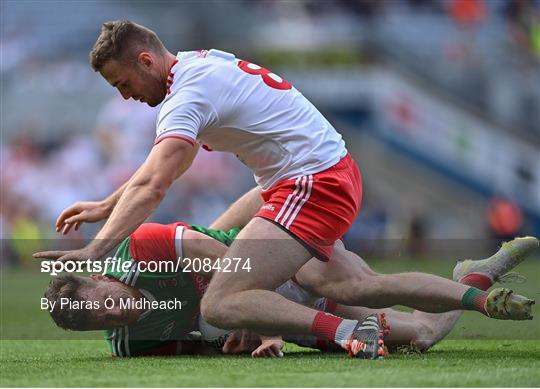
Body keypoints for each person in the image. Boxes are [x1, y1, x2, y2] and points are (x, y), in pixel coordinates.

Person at [33, 20, 534, 359]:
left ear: (145, 61)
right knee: (367, 298)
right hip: (302, 180)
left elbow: (156, 186)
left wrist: (94, 252)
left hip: (310, 182)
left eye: (124, 84)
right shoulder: (197, 65)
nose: (126, 97)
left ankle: (342, 329)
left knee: (223, 300)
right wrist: (105, 204)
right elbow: (150, 175)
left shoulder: (185, 97)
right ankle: (473, 285)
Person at [43, 218, 538, 358]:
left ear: (101, 278)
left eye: (107, 304)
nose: (116, 315)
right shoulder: (132, 344)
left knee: (368, 289)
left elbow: (245, 268)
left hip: (282, 263)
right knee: (422, 335)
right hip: (274, 316)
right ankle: (475, 275)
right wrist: (240, 345)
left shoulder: (146, 248)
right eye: (102, 322)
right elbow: (205, 343)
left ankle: (477, 296)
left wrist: (264, 331)